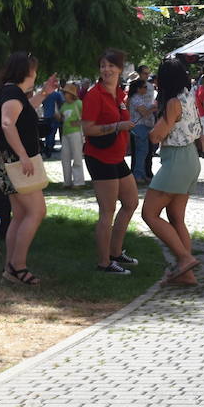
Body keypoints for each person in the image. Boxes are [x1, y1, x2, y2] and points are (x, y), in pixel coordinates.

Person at [0, 51, 58, 286]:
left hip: (10, 163)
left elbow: (23, 111)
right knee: (36, 212)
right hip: (16, 163)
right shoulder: (12, 92)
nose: (36, 73)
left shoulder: (12, 92)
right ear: (26, 71)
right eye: (34, 69)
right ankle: (17, 266)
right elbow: (7, 123)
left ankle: (11, 268)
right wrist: (23, 155)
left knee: (20, 215)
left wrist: (44, 93)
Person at [142, 58, 204, 285]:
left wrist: (150, 124)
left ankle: (185, 259)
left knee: (149, 213)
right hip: (190, 158)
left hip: (176, 159)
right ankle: (186, 274)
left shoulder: (172, 103)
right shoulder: (188, 96)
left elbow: (156, 135)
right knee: (177, 218)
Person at [82, 48, 140, 275]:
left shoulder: (120, 94)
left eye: (111, 65)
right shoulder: (94, 95)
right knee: (107, 211)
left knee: (131, 202)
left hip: (116, 156)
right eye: (103, 65)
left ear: (119, 69)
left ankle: (116, 252)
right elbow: (87, 128)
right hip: (99, 157)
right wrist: (117, 127)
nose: (106, 69)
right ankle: (104, 262)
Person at [128, 78, 156, 183]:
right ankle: (137, 175)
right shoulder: (135, 99)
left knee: (145, 152)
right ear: (138, 89)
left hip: (144, 127)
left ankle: (143, 174)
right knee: (141, 152)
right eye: (144, 87)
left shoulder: (140, 98)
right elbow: (143, 112)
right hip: (139, 127)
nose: (146, 89)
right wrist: (153, 108)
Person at [58, 83, 85, 187]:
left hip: (76, 132)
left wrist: (79, 122)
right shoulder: (64, 105)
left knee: (77, 157)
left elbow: (87, 116)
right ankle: (67, 182)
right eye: (64, 93)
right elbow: (62, 118)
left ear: (71, 94)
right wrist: (58, 117)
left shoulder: (79, 103)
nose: (64, 95)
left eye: (66, 93)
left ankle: (79, 182)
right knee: (65, 158)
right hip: (65, 133)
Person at [40, 82, 64, 159]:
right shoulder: (57, 94)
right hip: (55, 115)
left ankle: (47, 147)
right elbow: (61, 103)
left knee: (47, 132)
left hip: (46, 115)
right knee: (52, 132)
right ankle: (49, 148)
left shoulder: (44, 94)